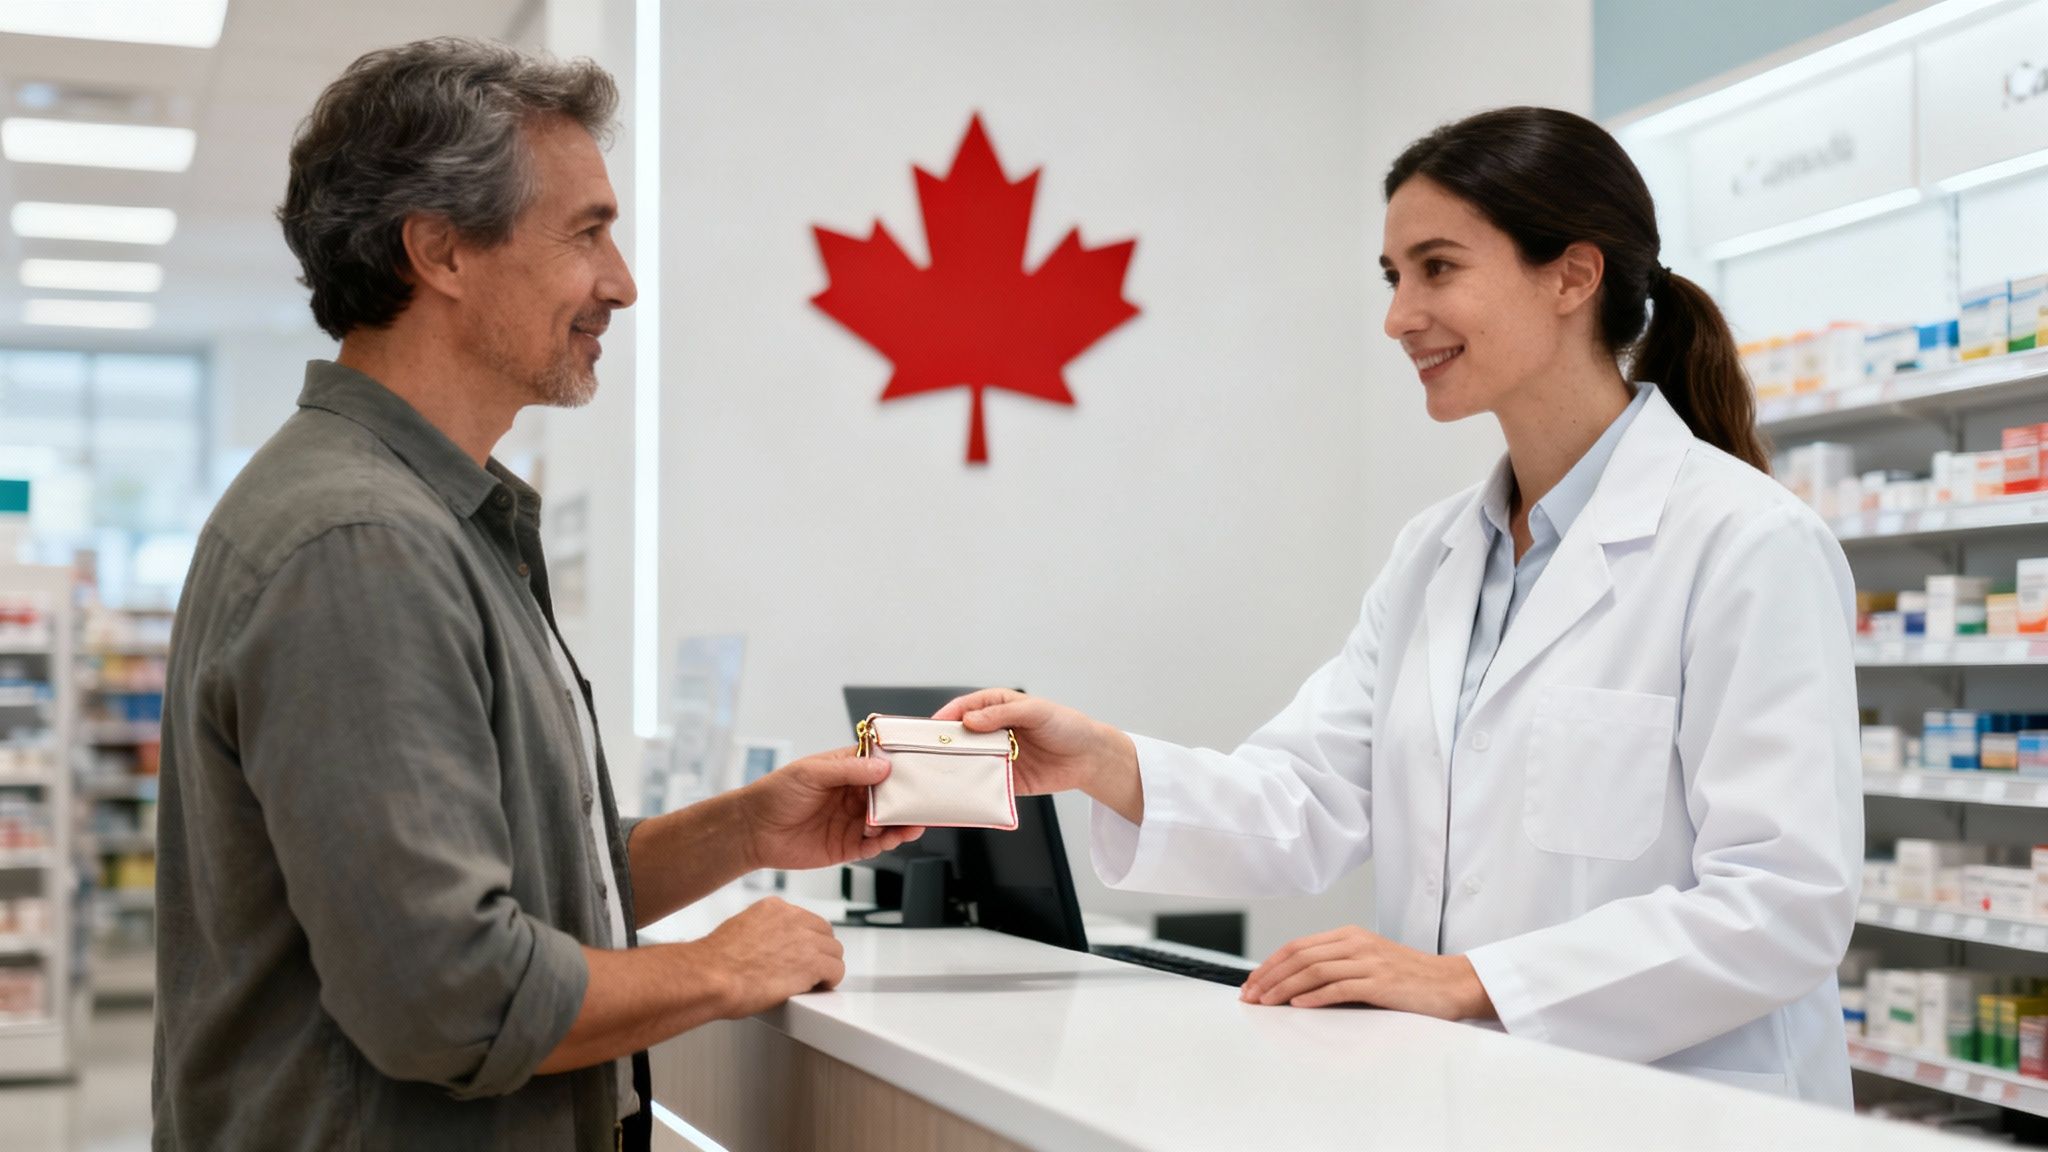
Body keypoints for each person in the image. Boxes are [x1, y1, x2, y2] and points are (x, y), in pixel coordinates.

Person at [938, 106, 1861, 1106]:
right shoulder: (1436, 554)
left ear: (1571, 275)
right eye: (1393, 277)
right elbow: (1315, 795)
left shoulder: (1745, 545)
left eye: (1435, 267)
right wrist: (1100, 761)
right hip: (1466, 1094)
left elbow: (1782, 904)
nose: (1396, 316)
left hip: (1672, 1110)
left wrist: (1468, 982)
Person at [152, 39, 921, 1151]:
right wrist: (716, 967)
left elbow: (503, 895)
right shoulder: (362, 545)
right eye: (586, 232)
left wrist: (746, 827)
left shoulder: (436, 520)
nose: (621, 281)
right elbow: (449, 997)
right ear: (441, 251)